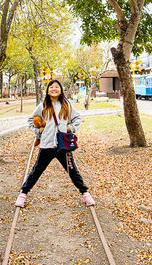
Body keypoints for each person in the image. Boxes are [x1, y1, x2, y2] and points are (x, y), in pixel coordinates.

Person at [15, 79, 95, 207]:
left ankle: (85, 194)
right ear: (47, 91)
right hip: (47, 145)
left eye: (57, 87)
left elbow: (77, 118)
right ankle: (23, 194)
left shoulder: (66, 104)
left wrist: (71, 128)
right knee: (36, 170)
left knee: (72, 170)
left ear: (61, 90)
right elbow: (31, 120)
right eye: (51, 87)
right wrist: (37, 130)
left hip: (63, 145)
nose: (54, 89)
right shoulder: (42, 106)